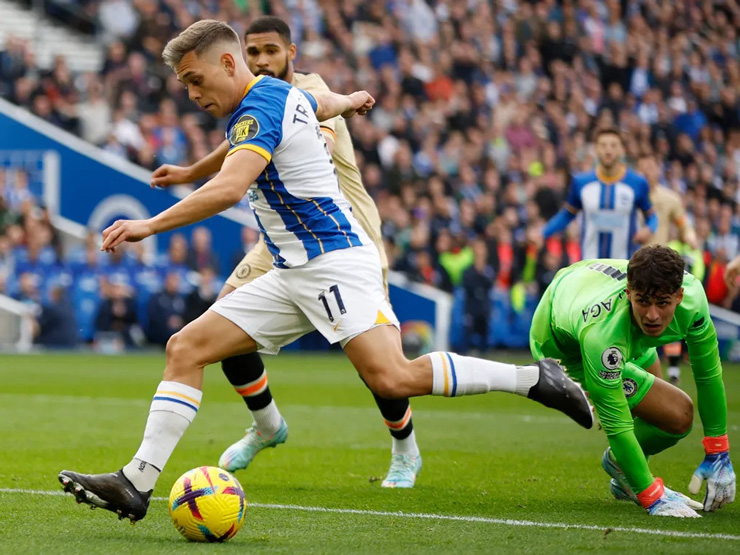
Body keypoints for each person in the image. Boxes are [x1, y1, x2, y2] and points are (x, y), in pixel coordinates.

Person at [58, 20, 592, 524]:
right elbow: (323, 101)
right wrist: (353, 100)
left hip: (336, 261)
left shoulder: (256, 109)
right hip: (292, 270)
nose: (193, 95)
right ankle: (137, 482)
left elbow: (229, 189)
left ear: (226, 62)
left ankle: (534, 378)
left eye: (196, 81)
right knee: (186, 347)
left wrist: (149, 225)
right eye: (186, 86)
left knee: (393, 377)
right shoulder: (280, 95)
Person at [151, 16, 421, 488]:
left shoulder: (304, 89)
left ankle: (404, 448)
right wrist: (189, 171)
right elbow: (240, 142)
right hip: (280, 232)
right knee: (222, 321)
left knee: (377, 359)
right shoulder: (251, 99)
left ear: (291, 53)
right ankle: (267, 424)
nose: (261, 61)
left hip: (341, 229)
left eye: (270, 52)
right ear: (240, 58)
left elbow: (320, 133)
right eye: (253, 52)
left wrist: (348, 104)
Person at [530, 245, 735, 518]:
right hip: (564, 342)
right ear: (629, 294)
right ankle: (626, 472)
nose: (652, 315)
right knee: (677, 413)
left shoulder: (694, 298)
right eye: (643, 302)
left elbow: (708, 374)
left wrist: (718, 451)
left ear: (679, 296)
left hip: (593, 289)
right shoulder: (601, 336)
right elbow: (617, 423)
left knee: (663, 412)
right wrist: (652, 496)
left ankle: (623, 470)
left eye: (662, 303)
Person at [541, 127, 657, 259]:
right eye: (603, 145)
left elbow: (652, 216)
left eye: (613, 146)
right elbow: (567, 214)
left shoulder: (637, 183)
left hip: (625, 264)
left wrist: (648, 229)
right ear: (596, 149)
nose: (608, 150)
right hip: (590, 264)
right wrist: (542, 233)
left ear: (621, 150)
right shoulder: (581, 182)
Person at [637, 152, 698, 385]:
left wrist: (690, 237)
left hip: (659, 264)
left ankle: (672, 368)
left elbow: (683, 225)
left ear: (657, 170)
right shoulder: (629, 195)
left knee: (666, 313)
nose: (646, 173)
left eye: (649, 168)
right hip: (631, 263)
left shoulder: (669, 199)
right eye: (641, 169)